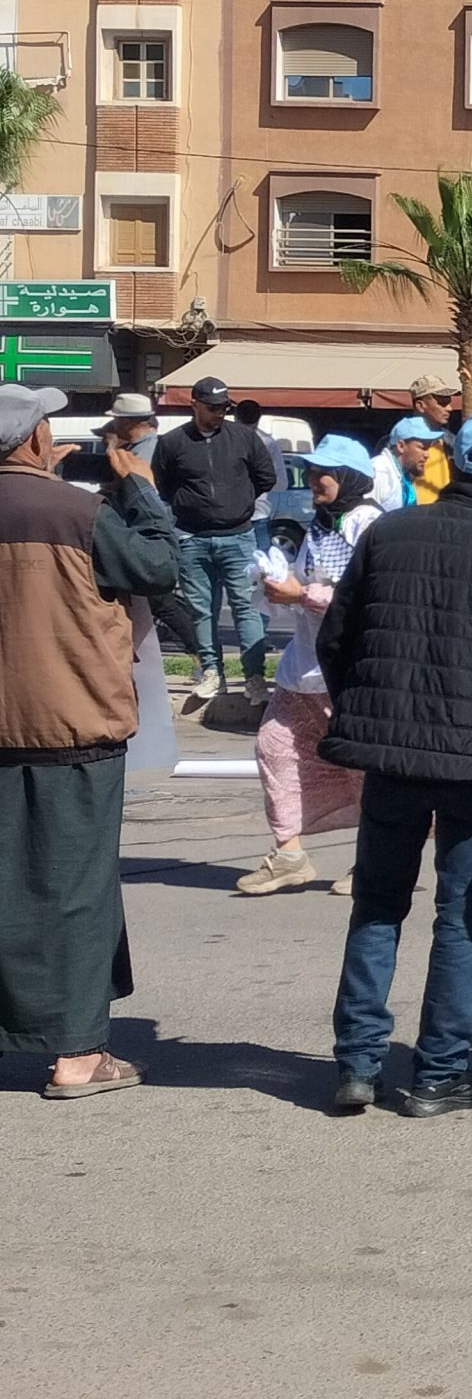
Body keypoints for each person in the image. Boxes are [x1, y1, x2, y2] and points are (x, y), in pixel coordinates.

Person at [320, 412, 472, 1117]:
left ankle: (358, 1064)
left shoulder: (387, 533)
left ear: (449, 461)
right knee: (462, 917)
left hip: (393, 756)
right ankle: (439, 1073)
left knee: (377, 904)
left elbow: (337, 639)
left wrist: (363, 711)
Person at [0, 384, 179, 1100]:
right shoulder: (76, 512)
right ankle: (77, 1053)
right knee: (74, 890)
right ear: (36, 439)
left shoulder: (61, 504)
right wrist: (144, 493)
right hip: (67, 723)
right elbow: (158, 568)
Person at [236, 436, 383, 898]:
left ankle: (375, 861)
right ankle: (289, 854)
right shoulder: (319, 525)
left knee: (361, 769)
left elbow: (366, 600)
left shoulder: (370, 526)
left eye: (325, 473)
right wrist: (275, 584)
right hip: (302, 670)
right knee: (274, 748)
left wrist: (300, 594)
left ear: (350, 478)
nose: (314, 480)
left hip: (348, 672)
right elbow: (307, 587)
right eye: (312, 471)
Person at [154, 376, 277, 709]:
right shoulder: (172, 442)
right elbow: (163, 484)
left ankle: (254, 677)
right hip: (192, 537)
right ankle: (211, 672)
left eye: (224, 407)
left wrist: (239, 502)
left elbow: (266, 477)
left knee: (246, 608)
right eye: (212, 407)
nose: (219, 413)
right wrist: (189, 505)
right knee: (201, 610)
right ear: (194, 405)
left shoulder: (244, 438)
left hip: (238, 535)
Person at [233, 398, 289, 554]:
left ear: (235, 417)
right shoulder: (268, 442)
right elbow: (281, 483)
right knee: (261, 563)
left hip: (235, 515)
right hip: (256, 513)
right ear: (260, 418)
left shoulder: (224, 441)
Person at [371, 415, 443, 511]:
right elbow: (361, 515)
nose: (427, 455)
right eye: (422, 448)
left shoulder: (404, 476)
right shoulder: (379, 472)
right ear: (401, 446)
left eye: (428, 448)